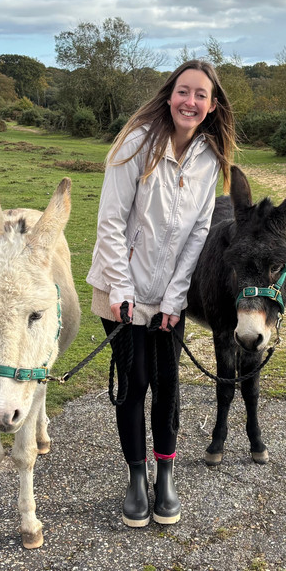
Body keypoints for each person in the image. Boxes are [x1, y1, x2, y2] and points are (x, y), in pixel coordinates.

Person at [86, 60, 235, 528]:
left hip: (170, 296)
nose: (190, 102)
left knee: (168, 385)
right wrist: (123, 290)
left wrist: (175, 299)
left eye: (200, 96)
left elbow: (199, 233)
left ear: (211, 107)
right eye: (183, 91)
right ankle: (136, 477)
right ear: (170, 94)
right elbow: (110, 221)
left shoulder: (211, 159)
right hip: (121, 290)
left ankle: (165, 474)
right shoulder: (135, 145)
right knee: (134, 383)